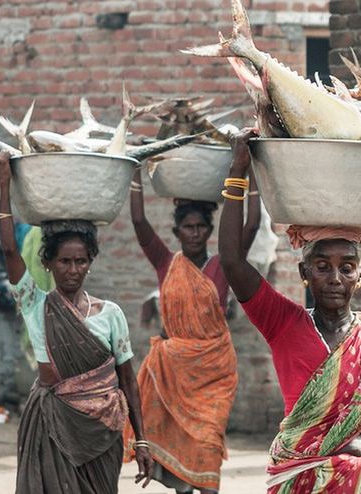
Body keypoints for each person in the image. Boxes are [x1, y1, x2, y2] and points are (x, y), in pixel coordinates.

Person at [218, 130, 361, 494]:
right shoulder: (284, 322)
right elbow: (233, 261)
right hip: (306, 481)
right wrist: (239, 171)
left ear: (360, 274)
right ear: (304, 273)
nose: (335, 277)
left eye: (347, 267)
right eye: (322, 266)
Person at [0, 150, 153, 493]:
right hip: (52, 425)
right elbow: (8, 251)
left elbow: (128, 380)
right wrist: (4, 182)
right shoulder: (36, 304)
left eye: (81, 261)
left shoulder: (111, 314)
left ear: (91, 262)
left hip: (102, 432)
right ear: (48, 263)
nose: (73, 269)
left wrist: (142, 441)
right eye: (64, 261)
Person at [123, 167, 260, 493]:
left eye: (201, 227)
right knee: (180, 464)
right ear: (177, 231)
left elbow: (251, 224)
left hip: (214, 373)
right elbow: (140, 223)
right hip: (174, 374)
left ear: (210, 230)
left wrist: (248, 170)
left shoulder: (224, 263)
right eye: (188, 227)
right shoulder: (165, 263)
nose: (195, 233)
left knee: (208, 446)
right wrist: (135, 169)